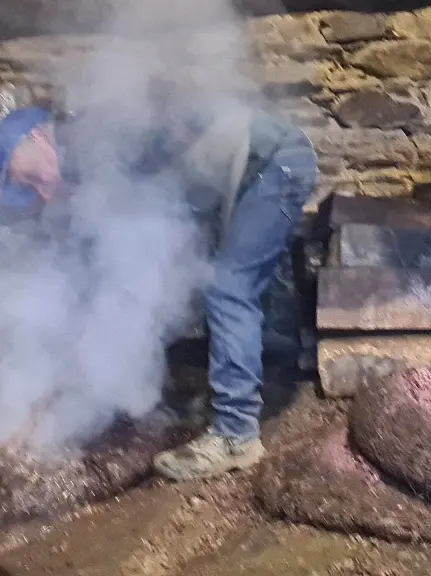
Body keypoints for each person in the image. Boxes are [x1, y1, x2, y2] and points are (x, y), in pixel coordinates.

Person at [0, 97, 318, 480]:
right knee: (200, 279)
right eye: (30, 189)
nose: (41, 194)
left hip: (273, 164)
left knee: (228, 286)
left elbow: (127, 250)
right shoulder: (82, 153)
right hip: (247, 172)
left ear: (38, 136)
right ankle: (256, 387)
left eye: (31, 177)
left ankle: (236, 435)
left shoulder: (93, 140)